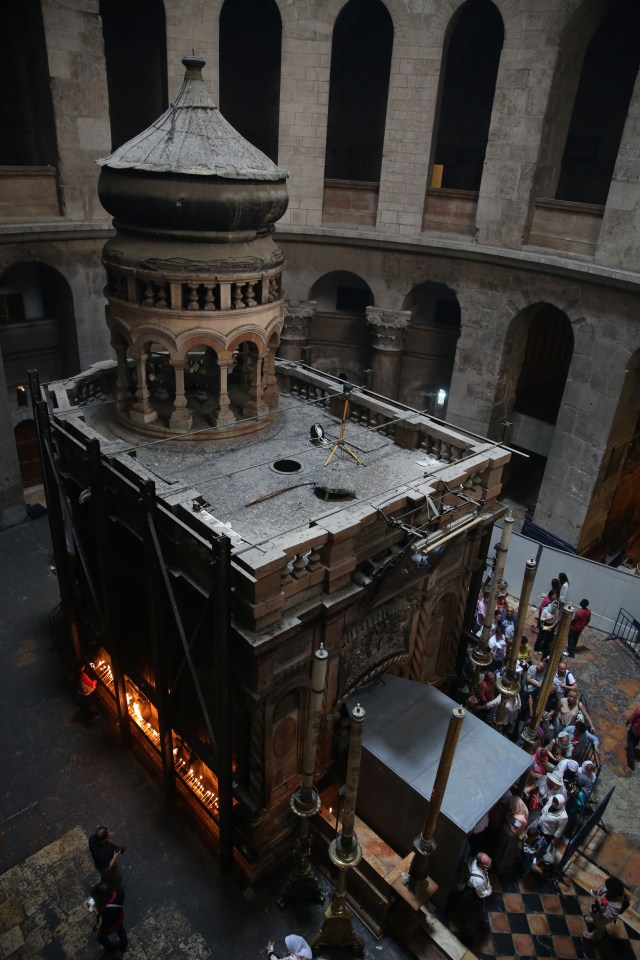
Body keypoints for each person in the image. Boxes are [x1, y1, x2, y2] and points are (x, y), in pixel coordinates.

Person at [583, 875, 627, 940]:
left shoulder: (616, 905)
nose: (604, 885)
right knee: (593, 914)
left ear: (612, 891)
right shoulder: (613, 887)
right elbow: (604, 886)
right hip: (598, 908)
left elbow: (606, 916)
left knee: (600, 926)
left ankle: (596, 935)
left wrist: (600, 903)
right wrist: (599, 890)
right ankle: (594, 921)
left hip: (603, 917)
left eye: (607, 886)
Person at [91, 882, 127, 956]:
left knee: (100, 938)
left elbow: (103, 923)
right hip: (120, 917)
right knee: (121, 930)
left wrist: (97, 913)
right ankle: (124, 943)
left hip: (110, 925)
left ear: (104, 899)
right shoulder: (119, 891)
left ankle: (112, 949)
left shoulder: (105, 911)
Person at [537, 794, 568, 860]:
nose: (553, 803)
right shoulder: (550, 800)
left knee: (542, 847)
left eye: (556, 802)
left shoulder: (563, 816)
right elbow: (544, 809)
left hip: (547, 834)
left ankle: (538, 858)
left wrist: (554, 840)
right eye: (554, 800)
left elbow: (560, 830)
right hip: (540, 826)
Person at [75, 660, 98, 724]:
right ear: (82, 667)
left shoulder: (76, 674)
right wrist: (95, 681)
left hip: (79, 691)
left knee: (83, 703)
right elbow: (91, 684)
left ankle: (84, 713)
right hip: (85, 693)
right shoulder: (82, 675)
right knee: (87, 704)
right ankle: (89, 717)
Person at [626, 703, 640, 771]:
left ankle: (631, 760)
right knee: (636, 740)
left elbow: (633, 716)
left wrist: (628, 721)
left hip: (636, 729)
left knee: (630, 741)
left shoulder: (639, 710)